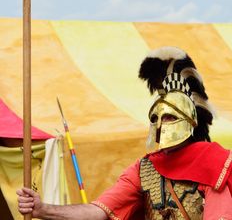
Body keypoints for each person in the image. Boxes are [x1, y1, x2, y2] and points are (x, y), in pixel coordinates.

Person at [17, 46, 232, 219]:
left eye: (169, 117)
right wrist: (42, 209)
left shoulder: (213, 164)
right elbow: (98, 211)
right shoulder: (144, 169)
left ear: (189, 121)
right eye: (155, 118)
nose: (160, 125)